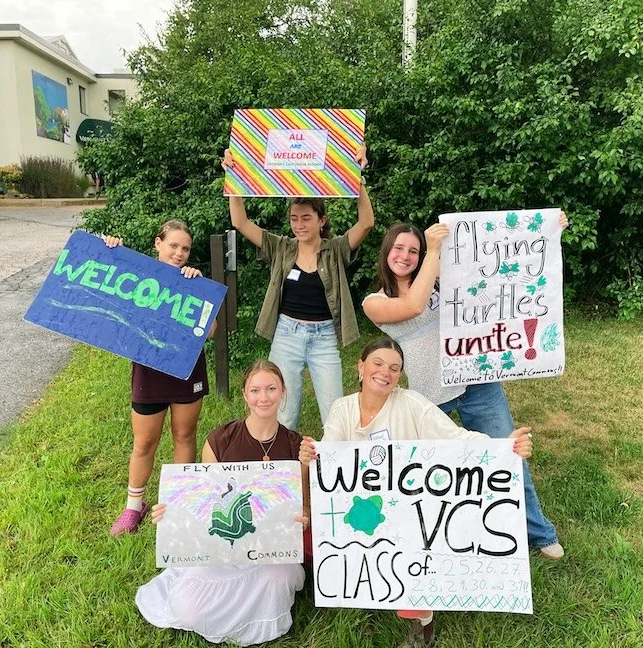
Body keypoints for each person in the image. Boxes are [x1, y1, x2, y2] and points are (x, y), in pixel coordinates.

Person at [299, 339, 533, 647]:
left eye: (395, 368)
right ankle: (361, 593)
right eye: (378, 364)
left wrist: (504, 447)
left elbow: (454, 438)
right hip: (363, 506)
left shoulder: (411, 403)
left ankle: (423, 625)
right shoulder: (342, 408)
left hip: (408, 508)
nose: (385, 372)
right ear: (360, 367)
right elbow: (331, 458)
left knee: (415, 548)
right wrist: (313, 455)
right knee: (326, 534)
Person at [361, 215, 569, 560]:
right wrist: (432, 252)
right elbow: (413, 305)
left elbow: (498, 269)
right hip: (429, 395)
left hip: (477, 382)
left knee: (508, 452)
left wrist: (546, 233)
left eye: (414, 250)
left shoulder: (440, 275)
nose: (406, 256)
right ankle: (438, 535)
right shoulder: (374, 301)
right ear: (386, 252)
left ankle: (539, 532)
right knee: (432, 470)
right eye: (399, 248)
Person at [136, 361, 308, 646]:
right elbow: (205, 505)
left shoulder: (295, 445)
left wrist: (303, 516)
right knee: (187, 607)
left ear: (283, 392)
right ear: (244, 395)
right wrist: (172, 515)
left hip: (270, 551)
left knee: (278, 580)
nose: (263, 397)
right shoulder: (220, 440)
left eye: (271, 389)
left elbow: (303, 507)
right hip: (223, 548)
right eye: (255, 390)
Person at [221, 146, 374, 431]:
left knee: (334, 413)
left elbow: (366, 223)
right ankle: (282, 469)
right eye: (294, 218)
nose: (299, 225)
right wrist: (233, 177)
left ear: (321, 220)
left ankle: (331, 470)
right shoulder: (281, 247)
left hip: (324, 337)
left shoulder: (336, 249)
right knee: (283, 414)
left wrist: (358, 177)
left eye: (306, 218)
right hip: (287, 335)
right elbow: (240, 222)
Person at [103, 221, 213, 536]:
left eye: (185, 248)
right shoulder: (139, 277)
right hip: (149, 372)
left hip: (186, 370)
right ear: (158, 244)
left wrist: (200, 292)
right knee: (144, 442)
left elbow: (213, 331)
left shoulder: (194, 283)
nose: (179, 253)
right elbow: (110, 292)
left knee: (184, 436)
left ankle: (179, 503)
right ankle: (133, 507)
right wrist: (109, 250)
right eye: (173, 245)